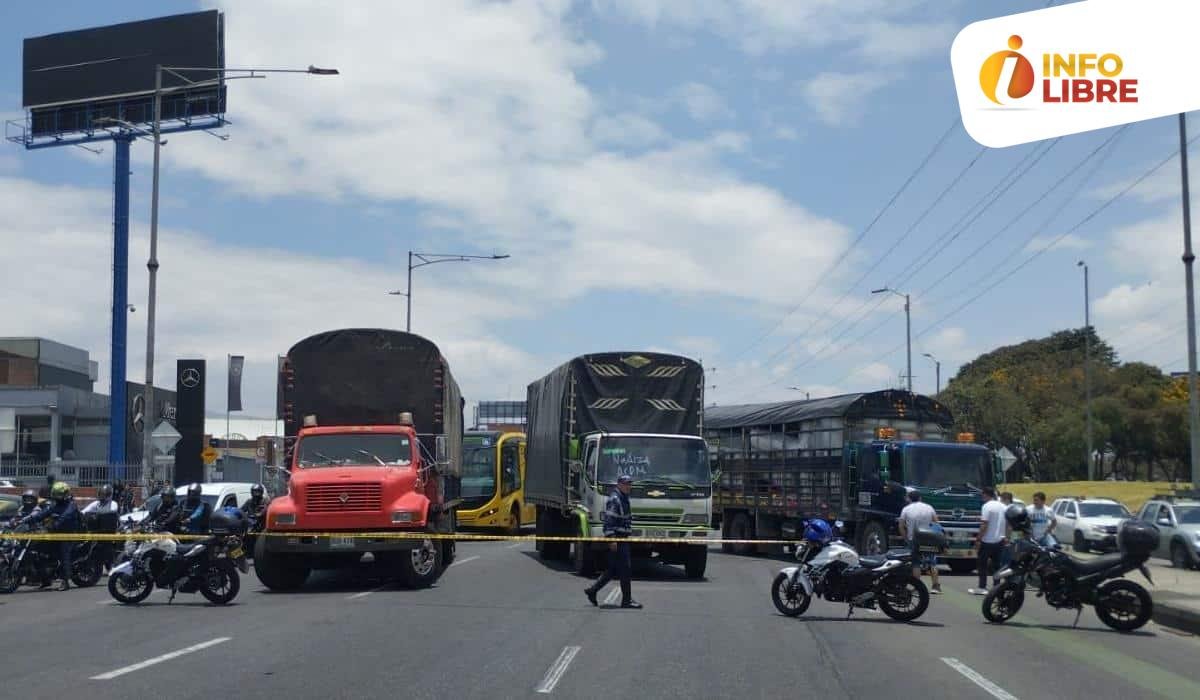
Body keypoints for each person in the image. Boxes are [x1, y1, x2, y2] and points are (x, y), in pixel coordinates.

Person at [584, 474, 641, 609]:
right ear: (619, 485)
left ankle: (592, 591)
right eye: (626, 484)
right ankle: (626, 601)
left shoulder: (623, 498)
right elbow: (609, 521)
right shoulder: (615, 499)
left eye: (629, 484)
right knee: (625, 570)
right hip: (618, 538)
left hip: (621, 538)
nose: (629, 486)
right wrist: (612, 539)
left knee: (613, 570)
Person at [20, 481, 80, 590]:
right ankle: (45, 579)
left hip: (68, 535)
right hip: (54, 533)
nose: (56, 496)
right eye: (55, 494)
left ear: (65, 494)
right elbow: (42, 513)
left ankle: (65, 581)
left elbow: (64, 518)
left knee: (64, 554)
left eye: (59, 494)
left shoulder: (71, 505)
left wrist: (53, 526)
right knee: (39, 550)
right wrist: (27, 519)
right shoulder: (55, 504)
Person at [897, 490, 941, 594]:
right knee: (932, 562)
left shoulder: (906, 509)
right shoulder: (929, 507)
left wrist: (906, 538)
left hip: (914, 540)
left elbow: (901, 526)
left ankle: (917, 587)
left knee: (916, 563)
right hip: (929, 539)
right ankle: (935, 586)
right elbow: (936, 523)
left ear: (909, 499)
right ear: (920, 498)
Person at [970, 486, 1008, 595]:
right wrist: (1006, 537)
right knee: (997, 566)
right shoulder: (1003, 506)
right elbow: (1008, 524)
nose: (982, 497)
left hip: (987, 540)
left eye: (983, 495)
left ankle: (982, 587)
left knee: (982, 565)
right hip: (1000, 540)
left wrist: (978, 539)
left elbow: (984, 524)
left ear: (986, 495)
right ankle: (997, 587)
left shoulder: (986, 506)